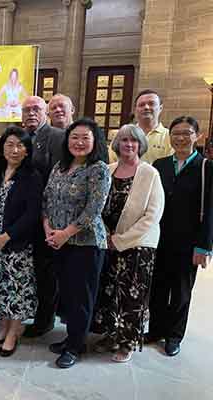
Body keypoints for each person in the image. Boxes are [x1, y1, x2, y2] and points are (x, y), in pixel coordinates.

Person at [92, 124, 165, 363]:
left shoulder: (149, 173)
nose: (129, 145)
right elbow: (97, 208)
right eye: (124, 140)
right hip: (108, 242)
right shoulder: (108, 169)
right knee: (109, 292)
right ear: (117, 144)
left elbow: (152, 215)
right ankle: (111, 335)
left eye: (133, 141)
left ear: (140, 145)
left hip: (138, 246)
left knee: (131, 297)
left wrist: (121, 240)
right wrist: (106, 237)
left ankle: (127, 342)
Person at [43, 117, 111, 368]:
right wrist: (48, 228)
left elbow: (93, 210)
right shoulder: (60, 166)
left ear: (95, 141)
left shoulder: (99, 169)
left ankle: (75, 346)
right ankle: (72, 337)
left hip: (86, 244)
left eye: (85, 137)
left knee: (82, 296)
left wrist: (65, 233)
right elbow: (47, 199)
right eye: (74, 137)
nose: (79, 142)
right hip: (58, 241)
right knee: (68, 294)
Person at [147, 116, 213, 357]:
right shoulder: (160, 165)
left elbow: (211, 210)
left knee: (182, 290)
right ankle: (155, 329)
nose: (181, 138)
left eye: (187, 133)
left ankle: (174, 335)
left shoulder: (206, 168)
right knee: (157, 288)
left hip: (189, 242)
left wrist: (204, 246)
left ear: (197, 135)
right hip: (160, 238)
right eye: (176, 134)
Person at [0, 126, 43, 357]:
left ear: (27, 150)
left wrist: (7, 236)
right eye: (9, 144)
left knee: (16, 290)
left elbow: (32, 214)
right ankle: (3, 327)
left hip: (16, 245)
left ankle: (14, 332)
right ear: (2, 148)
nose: (14, 150)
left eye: (20, 145)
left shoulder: (33, 177)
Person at [20, 95, 65, 338]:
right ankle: (29, 309)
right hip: (24, 216)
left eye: (36, 109)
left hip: (45, 218)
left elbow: (59, 180)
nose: (31, 113)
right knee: (29, 268)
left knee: (46, 271)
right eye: (26, 110)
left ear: (45, 112)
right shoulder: (21, 138)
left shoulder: (57, 137)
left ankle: (45, 319)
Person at [109, 90, 173, 163]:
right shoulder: (122, 135)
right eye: (141, 105)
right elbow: (112, 161)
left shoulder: (169, 137)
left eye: (151, 104)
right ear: (135, 109)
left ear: (160, 108)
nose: (146, 107)